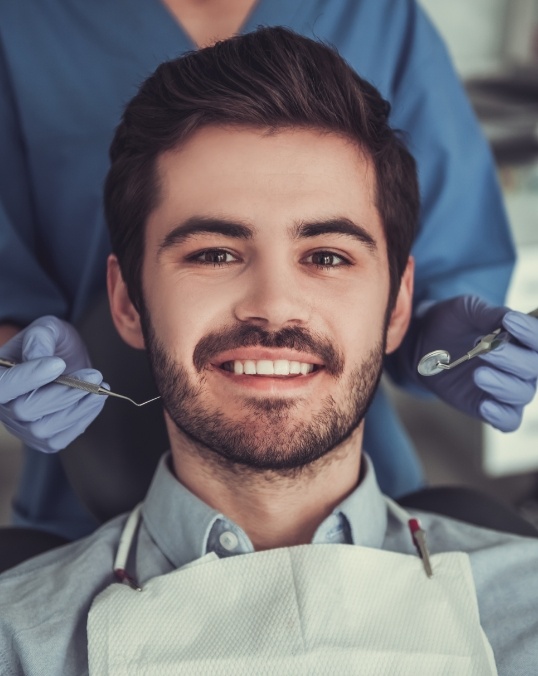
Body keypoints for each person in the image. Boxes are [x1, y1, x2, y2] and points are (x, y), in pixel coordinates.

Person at [1, 28, 536, 676]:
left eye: (328, 256)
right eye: (215, 254)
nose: (275, 305)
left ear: (398, 304)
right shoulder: (21, 640)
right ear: (126, 302)